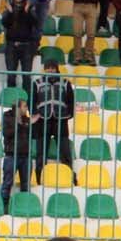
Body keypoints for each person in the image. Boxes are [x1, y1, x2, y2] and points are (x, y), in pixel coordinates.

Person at [29, 58, 77, 186]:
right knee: (41, 152)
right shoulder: (37, 83)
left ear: (57, 69)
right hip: (42, 121)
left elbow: (71, 100)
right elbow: (32, 100)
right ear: (44, 69)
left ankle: (71, 177)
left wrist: (69, 114)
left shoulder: (65, 83)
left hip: (60, 121)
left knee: (65, 151)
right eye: (48, 68)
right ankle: (39, 177)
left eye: (52, 67)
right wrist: (35, 113)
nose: (50, 70)